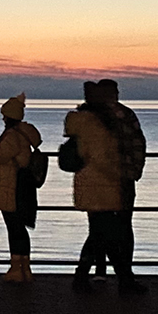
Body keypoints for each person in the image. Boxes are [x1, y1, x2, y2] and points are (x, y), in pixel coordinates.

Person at [64, 78, 147, 293]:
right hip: (112, 182)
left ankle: (92, 276)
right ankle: (122, 280)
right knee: (115, 231)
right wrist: (128, 173)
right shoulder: (111, 118)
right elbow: (130, 145)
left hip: (89, 181)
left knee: (100, 231)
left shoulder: (81, 119)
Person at [0, 92, 42, 283]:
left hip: (12, 186)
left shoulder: (12, 136)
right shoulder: (24, 134)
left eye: (5, 115)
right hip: (24, 186)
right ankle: (24, 268)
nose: (3, 118)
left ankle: (17, 269)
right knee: (20, 228)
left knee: (14, 227)